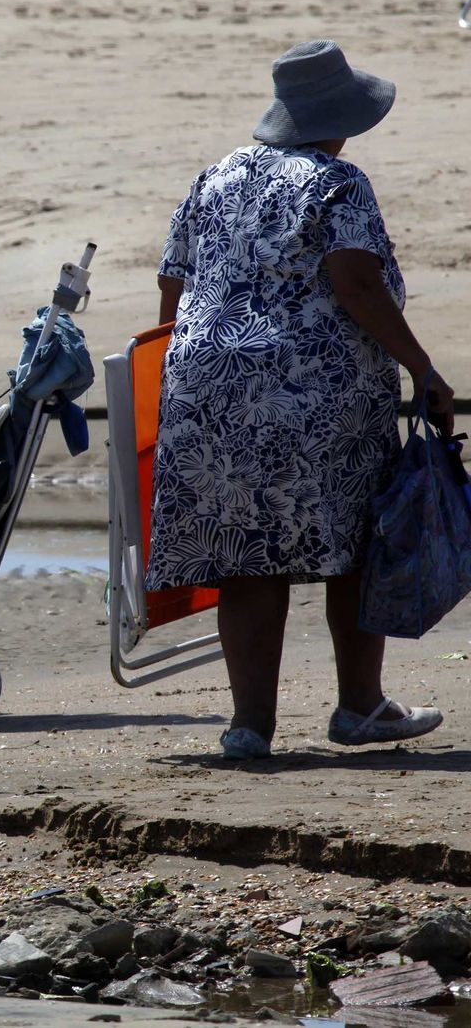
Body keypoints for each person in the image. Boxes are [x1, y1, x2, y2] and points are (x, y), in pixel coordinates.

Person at [147, 41, 456, 761]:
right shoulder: (339, 183)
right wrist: (423, 369)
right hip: (315, 393)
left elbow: (173, 288)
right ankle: (359, 709)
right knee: (354, 543)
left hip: (206, 384)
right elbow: (355, 286)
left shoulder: (215, 176)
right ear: (339, 119)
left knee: (249, 553)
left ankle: (248, 727)